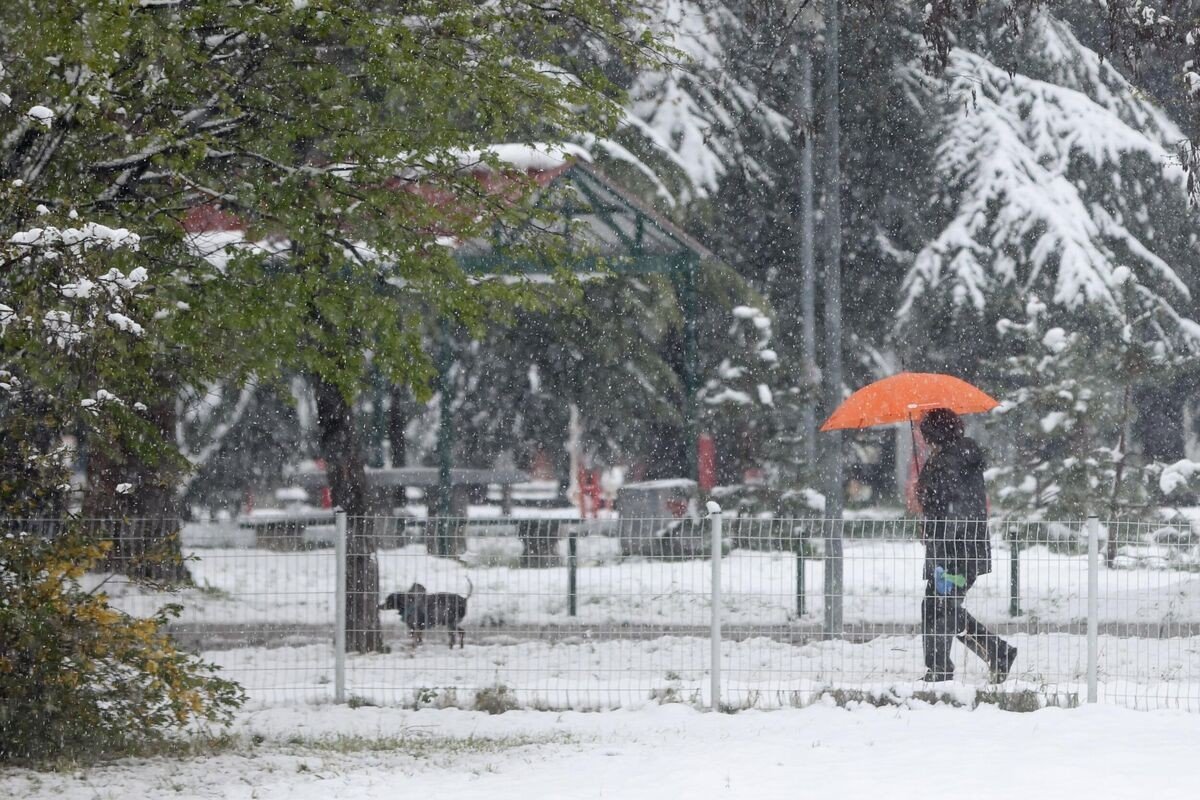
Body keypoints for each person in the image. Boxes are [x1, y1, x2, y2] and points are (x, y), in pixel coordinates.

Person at [916, 408, 1017, 683]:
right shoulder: (953, 457)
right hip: (957, 549)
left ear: (936, 433)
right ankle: (997, 652)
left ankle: (940, 669)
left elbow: (953, 506)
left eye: (927, 435)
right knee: (941, 607)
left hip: (953, 552)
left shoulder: (950, 459)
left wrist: (929, 501)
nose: (925, 441)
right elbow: (951, 503)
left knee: (939, 608)